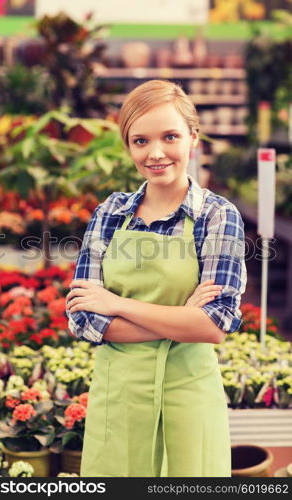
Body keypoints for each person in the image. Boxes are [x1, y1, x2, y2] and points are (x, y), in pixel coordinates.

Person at [66, 79, 247, 477]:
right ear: (129, 146)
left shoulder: (216, 216)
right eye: (141, 141)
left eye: (170, 136)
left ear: (193, 138)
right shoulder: (110, 214)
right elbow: (83, 318)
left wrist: (116, 305)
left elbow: (214, 325)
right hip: (120, 399)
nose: (156, 153)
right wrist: (181, 318)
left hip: (190, 395)